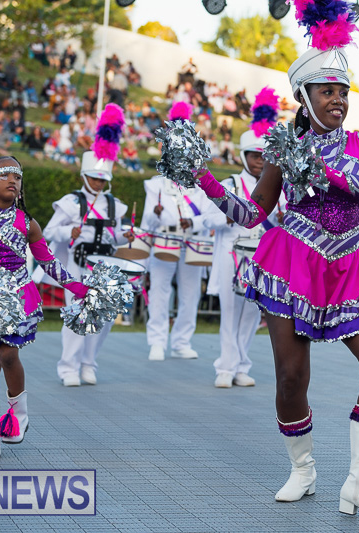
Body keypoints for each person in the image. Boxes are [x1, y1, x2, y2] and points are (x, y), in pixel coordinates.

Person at [194, 4, 359, 521]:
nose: (339, 100)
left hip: (352, 263)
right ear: (304, 98)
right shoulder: (282, 150)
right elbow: (252, 212)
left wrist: (330, 169)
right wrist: (204, 180)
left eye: (344, 91)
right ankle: (303, 469)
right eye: (328, 91)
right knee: (290, 377)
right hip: (292, 264)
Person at [0, 143, 89, 457]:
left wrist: (78, 287)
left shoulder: (28, 224)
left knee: (7, 355)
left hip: (18, 297)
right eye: (6, 174)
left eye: (18, 175)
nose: (13, 179)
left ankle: (18, 414)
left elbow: (49, 263)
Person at [43, 105, 133, 387]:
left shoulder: (113, 205)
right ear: (84, 176)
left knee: (103, 318)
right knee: (77, 314)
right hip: (77, 266)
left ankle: (88, 364)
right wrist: (69, 229)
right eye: (94, 177)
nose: (98, 182)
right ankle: (68, 367)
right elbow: (48, 231)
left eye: (102, 179)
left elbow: (114, 237)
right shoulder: (71, 202)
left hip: (105, 268)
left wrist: (125, 237)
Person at [201, 93, 281, 388]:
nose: (260, 161)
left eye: (264, 156)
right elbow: (205, 219)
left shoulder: (277, 188)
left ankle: (241, 365)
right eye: (254, 156)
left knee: (251, 312)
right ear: (244, 156)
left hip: (262, 255)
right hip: (231, 254)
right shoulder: (229, 185)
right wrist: (226, 217)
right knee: (230, 311)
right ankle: (225, 366)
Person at [141, 108, 208, 362]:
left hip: (192, 243)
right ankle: (157, 341)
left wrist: (192, 221)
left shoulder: (200, 184)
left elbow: (209, 216)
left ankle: (182, 341)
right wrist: (156, 213)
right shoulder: (155, 184)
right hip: (163, 244)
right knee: (159, 291)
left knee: (191, 293)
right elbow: (147, 221)